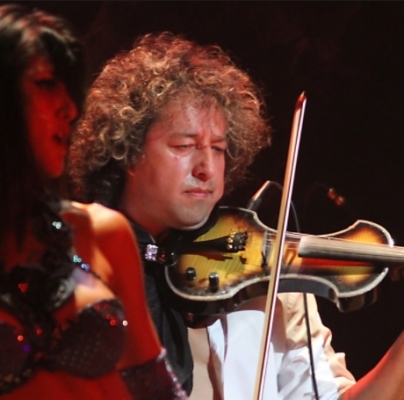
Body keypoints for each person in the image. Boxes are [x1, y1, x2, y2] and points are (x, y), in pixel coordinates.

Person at [68, 32, 404, 399]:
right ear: (127, 150)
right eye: (184, 145)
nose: (207, 169)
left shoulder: (269, 282)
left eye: (218, 149)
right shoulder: (74, 263)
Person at [0, 5, 187, 399]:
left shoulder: (101, 232)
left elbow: (158, 391)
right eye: (47, 84)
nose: (69, 109)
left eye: (70, 90)